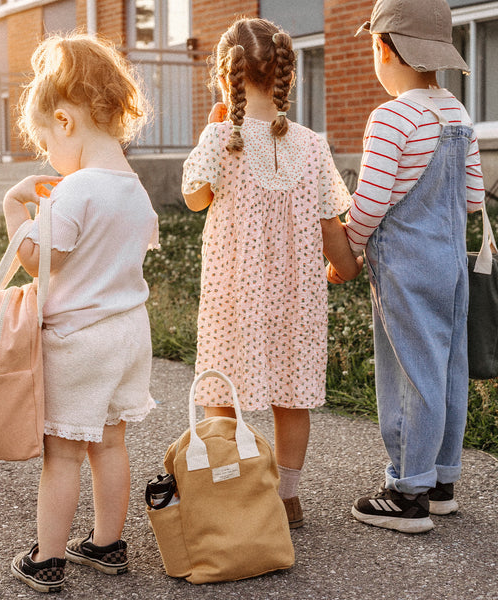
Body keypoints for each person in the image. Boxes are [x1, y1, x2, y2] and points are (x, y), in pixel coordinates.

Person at [182, 17, 363, 529]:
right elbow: (332, 223)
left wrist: (211, 131)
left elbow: (195, 199)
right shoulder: (311, 144)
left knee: (222, 393)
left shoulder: (222, 138)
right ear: (284, 74)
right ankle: (287, 497)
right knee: (292, 395)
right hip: (296, 299)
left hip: (234, 295)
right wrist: (344, 267)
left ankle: (231, 490)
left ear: (226, 75)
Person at [7, 33, 159, 592]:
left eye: (46, 138)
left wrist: (14, 208)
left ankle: (47, 558)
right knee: (111, 443)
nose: (49, 153)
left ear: (66, 122)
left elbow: (35, 264)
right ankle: (107, 543)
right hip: (128, 336)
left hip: (79, 341)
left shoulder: (76, 191)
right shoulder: (135, 190)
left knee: (63, 454)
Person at [330, 0, 485, 533]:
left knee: (407, 371)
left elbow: (370, 202)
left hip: (404, 267)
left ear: (383, 47)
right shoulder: (457, 114)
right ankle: (442, 480)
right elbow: (472, 198)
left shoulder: (392, 116)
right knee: (446, 367)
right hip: (451, 263)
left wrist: (347, 250)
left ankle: (407, 490)